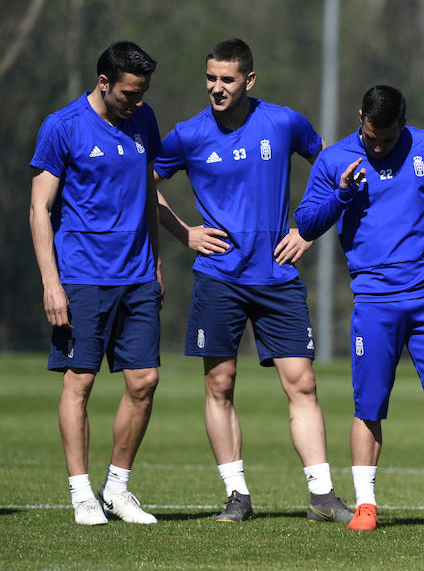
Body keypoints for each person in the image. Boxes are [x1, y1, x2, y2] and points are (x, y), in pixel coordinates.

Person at [153, 38, 352, 523]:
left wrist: (307, 229)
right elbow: (140, 183)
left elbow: (331, 168)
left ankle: (322, 496)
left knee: (301, 382)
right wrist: (185, 234)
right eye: (210, 79)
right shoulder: (188, 134)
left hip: (277, 275)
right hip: (218, 277)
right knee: (220, 383)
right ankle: (236, 496)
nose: (216, 88)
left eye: (227, 79)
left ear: (250, 80)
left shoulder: (283, 122)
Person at [295, 85, 424, 531]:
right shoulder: (334, 159)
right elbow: (306, 223)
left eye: (387, 139)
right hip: (374, 301)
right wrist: (341, 195)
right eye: (371, 136)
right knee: (370, 406)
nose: (379, 146)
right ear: (360, 117)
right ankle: (366, 506)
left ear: (404, 121)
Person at [29, 41, 163, 525]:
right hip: (82, 277)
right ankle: (82, 493)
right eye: (130, 92)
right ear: (104, 83)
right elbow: (40, 208)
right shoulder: (62, 126)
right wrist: (51, 283)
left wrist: (159, 261)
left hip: (138, 275)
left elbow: (149, 191)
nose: (137, 101)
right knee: (80, 381)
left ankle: (118, 488)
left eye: (143, 91)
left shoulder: (144, 120)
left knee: (144, 381)